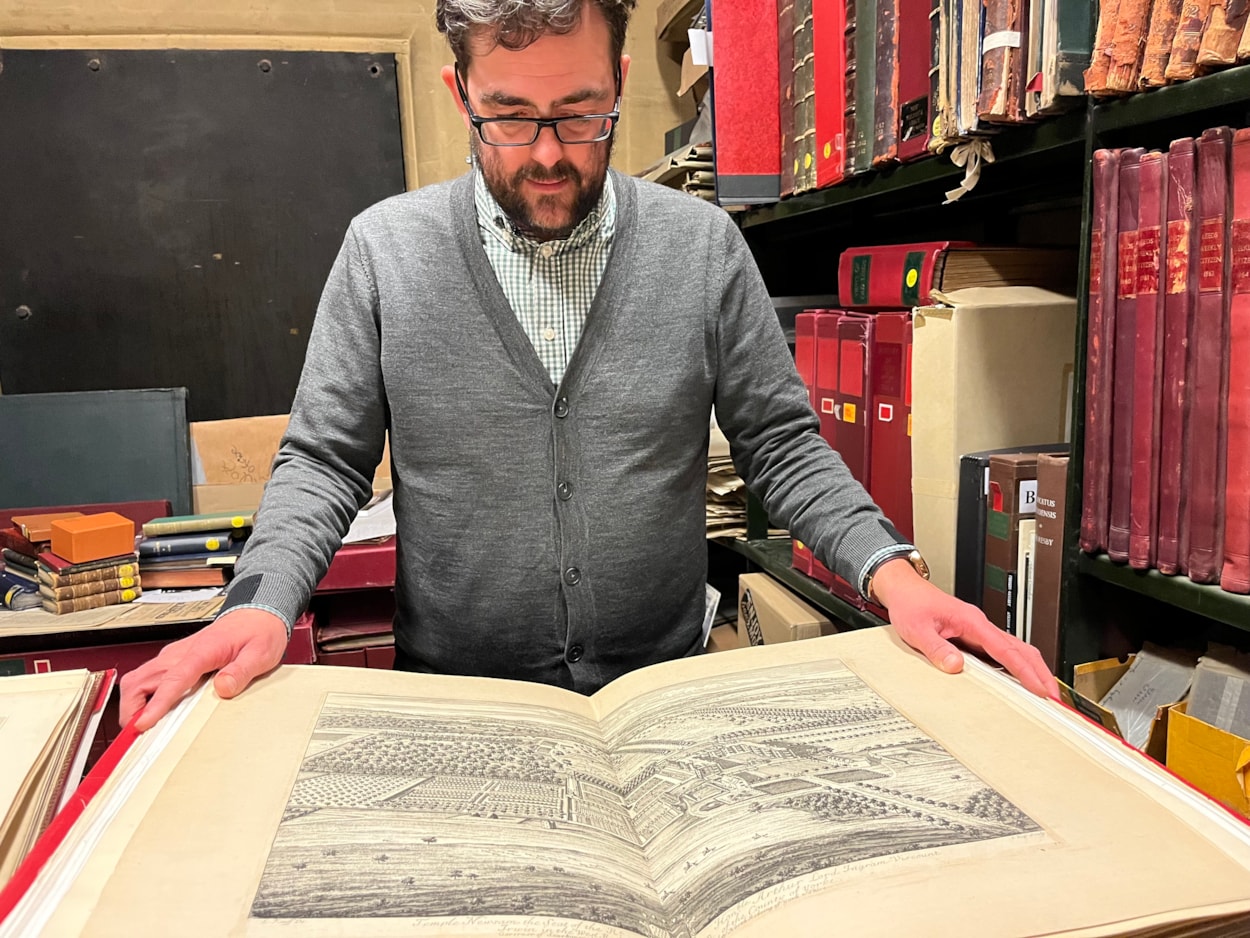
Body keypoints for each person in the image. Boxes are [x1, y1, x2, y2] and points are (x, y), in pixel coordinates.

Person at [120, 0, 1059, 732]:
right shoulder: (384, 252)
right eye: (508, 118)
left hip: (666, 697)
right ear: (459, 93)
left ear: (619, 81)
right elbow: (324, 461)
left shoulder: (701, 248)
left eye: (580, 115)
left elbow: (780, 445)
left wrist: (896, 578)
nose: (547, 156)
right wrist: (259, 603)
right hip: (460, 707)